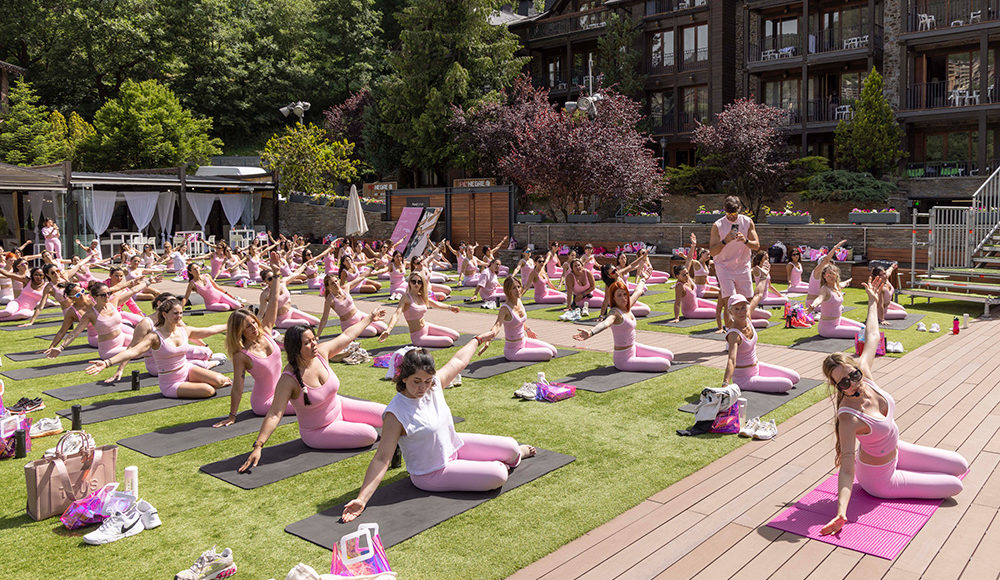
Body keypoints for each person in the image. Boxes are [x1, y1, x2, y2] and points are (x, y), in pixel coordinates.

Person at [818, 279, 967, 536]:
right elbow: (847, 468)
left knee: (960, 464)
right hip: (880, 479)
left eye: (853, 375)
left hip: (896, 451)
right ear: (837, 387)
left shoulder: (864, 375)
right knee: (955, 486)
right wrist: (841, 510)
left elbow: (872, 335)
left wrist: (873, 302)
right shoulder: (849, 418)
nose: (853, 383)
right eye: (844, 383)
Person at [342, 332, 537, 520]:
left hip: (454, 446)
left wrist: (477, 340)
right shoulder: (395, 414)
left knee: (511, 447)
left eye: (427, 381)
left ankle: (513, 456)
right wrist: (362, 499)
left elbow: (458, 361)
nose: (423, 387)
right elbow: (382, 458)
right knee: (498, 474)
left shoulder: (433, 386)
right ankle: (494, 465)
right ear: (404, 378)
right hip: (432, 473)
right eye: (416, 381)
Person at [237, 310, 390, 470]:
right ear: (296, 348)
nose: (314, 344)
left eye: (314, 339)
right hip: (318, 430)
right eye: (307, 343)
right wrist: (259, 445)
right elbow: (275, 414)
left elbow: (347, 335)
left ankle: (348, 424)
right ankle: (349, 427)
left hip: (340, 407)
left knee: (389, 414)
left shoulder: (321, 353)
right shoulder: (288, 380)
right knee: (369, 434)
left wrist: (370, 318)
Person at [85, 297, 232, 398]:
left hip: (187, 369)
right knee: (209, 390)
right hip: (171, 383)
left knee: (221, 381)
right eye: (175, 313)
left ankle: (195, 381)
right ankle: (192, 385)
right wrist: (107, 363)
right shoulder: (155, 337)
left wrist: (232, 324)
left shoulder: (184, 330)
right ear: (164, 314)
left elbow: (211, 329)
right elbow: (133, 351)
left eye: (181, 313)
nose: (179, 316)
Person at [217, 275, 294, 426]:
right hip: (264, 402)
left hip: (283, 392)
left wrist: (276, 274)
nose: (254, 328)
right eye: (248, 326)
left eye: (254, 322)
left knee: (318, 395)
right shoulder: (241, 355)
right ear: (239, 331)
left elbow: (274, 302)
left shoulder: (266, 331)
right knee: (311, 403)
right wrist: (232, 416)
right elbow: (237, 387)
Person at [722, 266, 800, 393]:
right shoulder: (734, 334)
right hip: (744, 378)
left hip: (757, 367)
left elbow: (758, 294)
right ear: (731, 312)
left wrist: (764, 277)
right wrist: (725, 383)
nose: (741, 311)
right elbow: (731, 359)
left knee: (795, 377)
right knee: (787, 384)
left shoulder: (747, 318)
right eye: (737, 309)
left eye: (743, 307)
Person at [574, 278, 673, 372]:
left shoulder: (627, 306)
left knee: (669, 355)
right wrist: (591, 332)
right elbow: (605, 323)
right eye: (619, 295)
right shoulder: (615, 313)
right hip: (624, 359)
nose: (624, 298)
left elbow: (638, 291)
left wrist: (643, 278)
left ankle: (640, 358)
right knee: (665, 364)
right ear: (613, 298)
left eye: (625, 294)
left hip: (634, 347)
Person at [45, 279, 153, 361]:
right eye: (78, 294)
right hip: (107, 347)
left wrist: (148, 281)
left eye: (82, 291)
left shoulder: (110, 302)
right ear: (71, 298)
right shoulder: (88, 314)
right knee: (143, 351)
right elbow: (74, 332)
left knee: (150, 344)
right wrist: (59, 347)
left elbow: (131, 290)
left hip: (121, 336)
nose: (82, 295)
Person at [709, 196, 760, 330]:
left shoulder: (747, 222)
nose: (731, 217)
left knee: (746, 302)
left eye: (734, 213)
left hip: (743, 266)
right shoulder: (718, 225)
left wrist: (745, 241)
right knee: (730, 302)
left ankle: (746, 332)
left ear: (740, 209)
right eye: (728, 214)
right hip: (724, 267)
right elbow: (713, 252)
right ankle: (731, 333)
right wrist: (725, 241)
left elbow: (756, 246)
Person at [380, 272, 461, 347]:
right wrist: (388, 330)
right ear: (409, 283)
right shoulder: (406, 298)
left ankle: (432, 337)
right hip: (418, 336)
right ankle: (430, 338)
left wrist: (450, 307)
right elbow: (397, 314)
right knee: (448, 341)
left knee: (456, 335)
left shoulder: (421, 296)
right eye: (414, 281)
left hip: (426, 326)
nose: (416, 284)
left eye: (419, 282)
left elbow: (435, 304)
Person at [487, 277, 557, 361]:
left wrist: (528, 330)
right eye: (514, 288)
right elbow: (497, 325)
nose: (517, 290)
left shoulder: (519, 301)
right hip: (513, 350)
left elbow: (518, 321)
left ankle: (527, 351)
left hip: (524, 341)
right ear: (508, 290)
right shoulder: (505, 309)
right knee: (548, 353)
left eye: (518, 287)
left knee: (554, 351)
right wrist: (488, 339)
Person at [317, 274, 388, 338]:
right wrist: (317, 336)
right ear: (328, 287)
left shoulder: (345, 288)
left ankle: (367, 325)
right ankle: (365, 327)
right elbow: (324, 318)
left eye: (336, 281)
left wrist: (371, 269)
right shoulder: (330, 299)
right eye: (332, 283)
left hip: (360, 316)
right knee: (373, 332)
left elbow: (360, 277)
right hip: (349, 324)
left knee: (384, 328)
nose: (336, 284)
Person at [259, 261, 320, 329]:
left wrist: (305, 265)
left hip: (291, 311)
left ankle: (294, 321)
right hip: (281, 320)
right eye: (270, 279)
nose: (273, 280)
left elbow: (296, 274)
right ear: (265, 281)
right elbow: (261, 313)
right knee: (305, 323)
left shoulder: (282, 283)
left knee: (316, 321)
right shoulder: (265, 294)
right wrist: (257, 326)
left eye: (274, 277)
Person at [808, 264, 862, 339]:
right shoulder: (824, 289)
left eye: (833, 273)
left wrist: (850, 280)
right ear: (824, 276)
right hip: (827, 328)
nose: (831, 276)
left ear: (836, 275)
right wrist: (813, 305)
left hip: (838, 320)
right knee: (862, 332)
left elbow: (844, 283)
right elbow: (820, 298)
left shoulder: (837, 286)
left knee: (864, 327)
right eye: (828, 274)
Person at [806, 240, 848, 304]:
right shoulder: (817, 272)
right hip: (813, 303)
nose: (830, 267)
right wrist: (835, 247)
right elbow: (826, 260)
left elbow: (837, 285)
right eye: (829, 264)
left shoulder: (827, 276)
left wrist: (846, 282)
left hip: (822, 302)